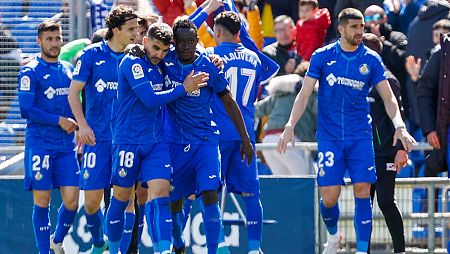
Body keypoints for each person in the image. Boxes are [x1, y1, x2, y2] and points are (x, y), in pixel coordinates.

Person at [277, 8, 416, 254]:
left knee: (363, 190)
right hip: (330, 138)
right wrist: (290, 125)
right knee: (329, 197)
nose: (360, 31)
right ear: (341, 29)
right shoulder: (323, 56)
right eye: (354, 27)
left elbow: (388, 97)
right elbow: (305, 93)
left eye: (362, 27)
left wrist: (401, 127)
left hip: (360, 137)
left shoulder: (371, 60)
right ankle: (333, 236)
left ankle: (362, 250)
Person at [106, 22, 209, 254]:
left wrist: (213, 58)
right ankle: (112, 249)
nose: (158, 54)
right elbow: (150, 100)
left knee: (161, 193)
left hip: (156, 142)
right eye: (155, 48)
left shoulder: (164, 63)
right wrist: (184, 88)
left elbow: (189, 45)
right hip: (127, 141)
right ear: (144, 41)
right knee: (121, 199)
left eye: (163, 50)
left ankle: (163, 250)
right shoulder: (132, 62)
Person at [165, 18, 254, 254]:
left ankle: (213, 250)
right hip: (174, 143)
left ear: (197, 41)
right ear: (174, 42)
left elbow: (228, 100)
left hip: (205, 141)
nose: (186, 47)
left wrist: (246, 139)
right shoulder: (165, 61)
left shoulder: (207, 64)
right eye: (181, 42)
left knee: (210, 193)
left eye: (191, 41)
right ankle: (178, 242)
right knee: (175, 201)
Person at [68, 5, 138, 253]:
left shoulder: (136, 57)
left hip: (127, 141)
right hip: (96, 139)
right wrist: (82, 125)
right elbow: (73, 94)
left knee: (127, 199)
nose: (136, 33)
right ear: (116, 30)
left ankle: (118, 249)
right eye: (130, 29)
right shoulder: (90, 55)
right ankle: (99, 243)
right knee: (92, 203)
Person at [18, 20, 79, 254]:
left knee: (72, 201)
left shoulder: (67, 69)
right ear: (39, 41)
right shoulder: (30, 71)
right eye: (49, 39)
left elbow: (75, 103)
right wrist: (58, 121)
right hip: (40, 145)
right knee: (42, 200)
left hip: (66, 146)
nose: (54, 44)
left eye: (57, 38)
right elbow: (26, 109)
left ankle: (57, 240)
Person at [206, 11, 264, 253]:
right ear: (239, 32)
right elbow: (253, 96)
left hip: (216, 133)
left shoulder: (210, 56)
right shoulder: (255, 59)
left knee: (210, 194)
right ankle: (254, 248)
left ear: (217, 32)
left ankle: (220, 247)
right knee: (251, 194)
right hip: (245, 135)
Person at [363, 33, 408, 254]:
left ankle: (400, 250)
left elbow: (398, 115)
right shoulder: (358, 80)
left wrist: (400, 150)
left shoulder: (388, 80)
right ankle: (364, 250)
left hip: (384, 153)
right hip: (362, 152)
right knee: (364, 205)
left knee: (385, 201)